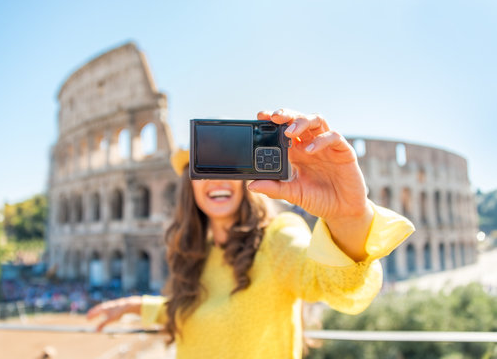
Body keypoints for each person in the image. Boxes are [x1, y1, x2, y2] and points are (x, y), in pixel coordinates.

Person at [87, 109, 415, 359]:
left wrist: (347, 215)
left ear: (247, 177)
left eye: (227, 167)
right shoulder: (198, 250)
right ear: (189, 184)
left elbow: (332, 282)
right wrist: (133, 306)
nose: (217, 180)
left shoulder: (277, 236)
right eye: (204, 169)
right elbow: (193, 312)